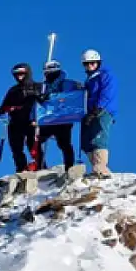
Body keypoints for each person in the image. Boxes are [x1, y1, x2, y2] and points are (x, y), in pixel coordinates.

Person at [36, 59, 81, 170]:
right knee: (35, 140)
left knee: (64, 143)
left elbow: (74, 95)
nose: (48, 74)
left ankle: (69, 167)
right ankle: (40, 166)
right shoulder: (43, 86)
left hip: (63, 119)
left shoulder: (68, 84)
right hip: (48, 119)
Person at [80, 49, 118, 179]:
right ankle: (96, 167)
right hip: (90, 112)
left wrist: (98, 109)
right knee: (86, 142)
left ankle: (102, 168)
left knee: (98, 138)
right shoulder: (89, 79)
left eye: (92, 63)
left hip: (102, 111)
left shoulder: (105, 75)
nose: (89, 66)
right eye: (86, 64)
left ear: (98, 62)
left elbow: (107, 94)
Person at [0, 62, 41, 172]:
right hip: (15, 123)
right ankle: (21, 169)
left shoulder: (38, 87)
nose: (19, 76)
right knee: (16, 148)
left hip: (31, 121)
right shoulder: (13, 90)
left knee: (34, 146)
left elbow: (45, 102)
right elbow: (3, 107)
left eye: (22, 73)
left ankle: (40, 168)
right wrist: (8, 109)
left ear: (27, 73)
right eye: (16, 74)